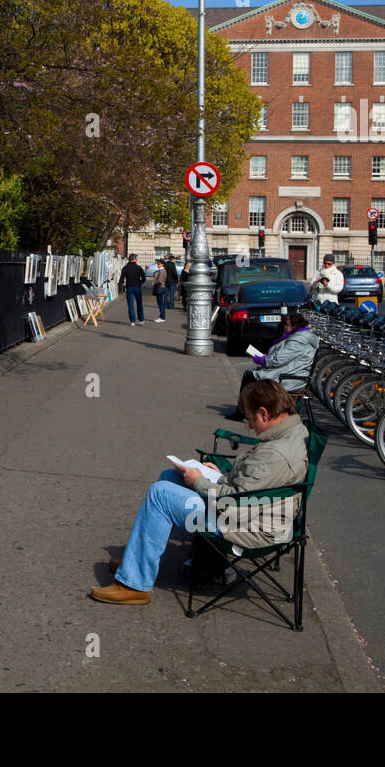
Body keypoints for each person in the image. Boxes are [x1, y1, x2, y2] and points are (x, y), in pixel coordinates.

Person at [91, 380, 309, 605]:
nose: (251, 427)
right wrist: (222, 475)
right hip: (252, 512)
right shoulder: (291, 432)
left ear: (264, 413)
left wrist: (200, 482)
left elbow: (234, 503)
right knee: (170, 476)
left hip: (245, 526)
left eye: (251, 419)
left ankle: (134, 584)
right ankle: (136, 561)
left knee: (160, 494)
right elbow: (256, 483)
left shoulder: (275, 453)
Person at [224, 313, 319, 420]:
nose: (284, 327)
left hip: (290, 378)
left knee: (250, 376)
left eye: (286, 325)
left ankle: (241, 412)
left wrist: (263, 360)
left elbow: (279, 360)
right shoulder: (303, 338)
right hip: (293, 373)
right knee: (251, 374)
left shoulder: (297, 341)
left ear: (294, 326)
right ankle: (246, 410)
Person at [118, 253, 148, 326]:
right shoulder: (138, 267)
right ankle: (141, 319)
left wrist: (123, 283)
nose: (137, 259)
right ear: (134, 259)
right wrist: (141, 282)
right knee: (139, 304)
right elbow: (144, 278)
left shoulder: (125, 268)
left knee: (130, 304)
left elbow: (121, 279)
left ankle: (132, 321)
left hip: (129, 287)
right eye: (136, 258)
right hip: (137, 287)